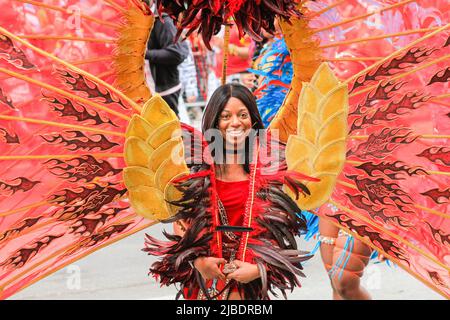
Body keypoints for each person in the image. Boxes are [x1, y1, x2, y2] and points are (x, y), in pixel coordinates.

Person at [143, 83, 315, 300]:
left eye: (242, 114)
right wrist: (198, 262)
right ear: (215, 121)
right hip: (205, 283)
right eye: (226, 116)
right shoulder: (195, 166)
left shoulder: (271, 166)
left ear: (252, 120)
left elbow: (279, 230)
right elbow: (182, 222)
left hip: (249, 283)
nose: (235, 122)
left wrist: (259, 268)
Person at [145, 9, 189, 116]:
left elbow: (176, 54)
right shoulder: (137, 22)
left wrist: (144, 54)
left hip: (164, 90)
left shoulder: (162, 21)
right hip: (146, 91)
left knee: (169, 128)